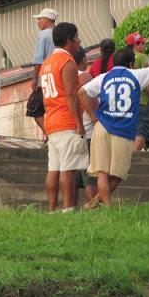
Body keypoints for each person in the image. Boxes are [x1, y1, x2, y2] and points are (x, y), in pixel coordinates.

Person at [78, 25, 149, 208]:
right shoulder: (136, 76)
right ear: (131, 64)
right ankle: (101, 203)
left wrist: (93, 116)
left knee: (102, 171)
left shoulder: (104, 77)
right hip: (123, 129)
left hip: (102, 126)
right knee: (119, 173)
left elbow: (81, 92)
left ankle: (102, 202)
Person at [40, 22, 89, 212]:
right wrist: (79, 123)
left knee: (54, 168)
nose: (79, 41)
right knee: (67, 168)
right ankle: (68, 208)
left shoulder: (46, 64)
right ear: (69, 40)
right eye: (76, 37)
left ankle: (52, 208)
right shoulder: (67, 62)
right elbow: (70, 94)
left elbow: (45, 98)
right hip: (65, 120)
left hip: (51, 121)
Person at [73, 46, 98, 203]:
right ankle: (92, 205)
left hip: (70, 130)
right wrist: (96, 118)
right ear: (82, 60)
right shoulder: (85, 77)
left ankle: (72, 206)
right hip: (87, 130)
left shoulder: (64, 76)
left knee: (73, 173)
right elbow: (93, 101)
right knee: (91, 174)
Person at [27, 8, 58, 135]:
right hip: (57, 76)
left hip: (44, 77)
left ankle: (49, 134)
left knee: (34, 108)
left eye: (40, 19)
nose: (38, 22)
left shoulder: (43, 34)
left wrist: (34, 78)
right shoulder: (58, 34)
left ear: (48, 20)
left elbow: (39, 58)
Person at [125, 32, 149, 151]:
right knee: (142, 130)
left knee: (133, 130)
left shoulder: (125, 57)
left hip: (129, 100)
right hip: (143, 100)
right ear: (136, 45)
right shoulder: (142, 57)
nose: (144, 46)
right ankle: (133, 156)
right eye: (142, 43)